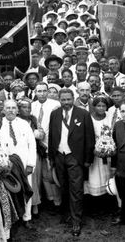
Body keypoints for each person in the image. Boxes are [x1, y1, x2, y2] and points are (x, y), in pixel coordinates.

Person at [48, 88, 95, 236]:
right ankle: (67, 213)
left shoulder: (83, 114)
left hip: (75, 157)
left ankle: (76, 221)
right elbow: (51, 136)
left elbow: (90, 138)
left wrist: (88, 160)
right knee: (63, 187)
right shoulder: (55, 114)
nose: (66, 102)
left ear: (73, 98)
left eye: (68, 99)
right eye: (63, 100)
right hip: (59, 156)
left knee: (76, 190)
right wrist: (51, 157)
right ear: (59, 100)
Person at [1, 99, 36, 228]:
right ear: (3, 110)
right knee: (10, 190)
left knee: (26, 188)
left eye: (13, 108)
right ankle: (13, 218)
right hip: (6, 165)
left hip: (24, 164)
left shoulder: (24, 124)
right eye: (8, 108)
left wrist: (31, 164)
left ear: (17, 110)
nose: (10, 110)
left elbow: (32, 144)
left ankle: (27, 217)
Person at [31, 82, 62, 209]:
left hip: (51, 142)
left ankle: (57, 201)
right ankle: (48, 200)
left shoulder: (55, 104)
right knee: (42, 174)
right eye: (39, 91)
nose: (42, 93)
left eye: (45, 91)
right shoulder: (32, 106)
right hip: (37, 144)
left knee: (51, 174)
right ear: (35, 92)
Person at [85, 95, 112, 196]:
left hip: (108, 151)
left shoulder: (110, 116)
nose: (101, 108)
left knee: (107, 174)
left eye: (103, 106)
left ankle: (108, 193)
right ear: (94, 106)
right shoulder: (89, 117)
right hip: (95, 152)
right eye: (98, 106)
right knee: (95, 175)